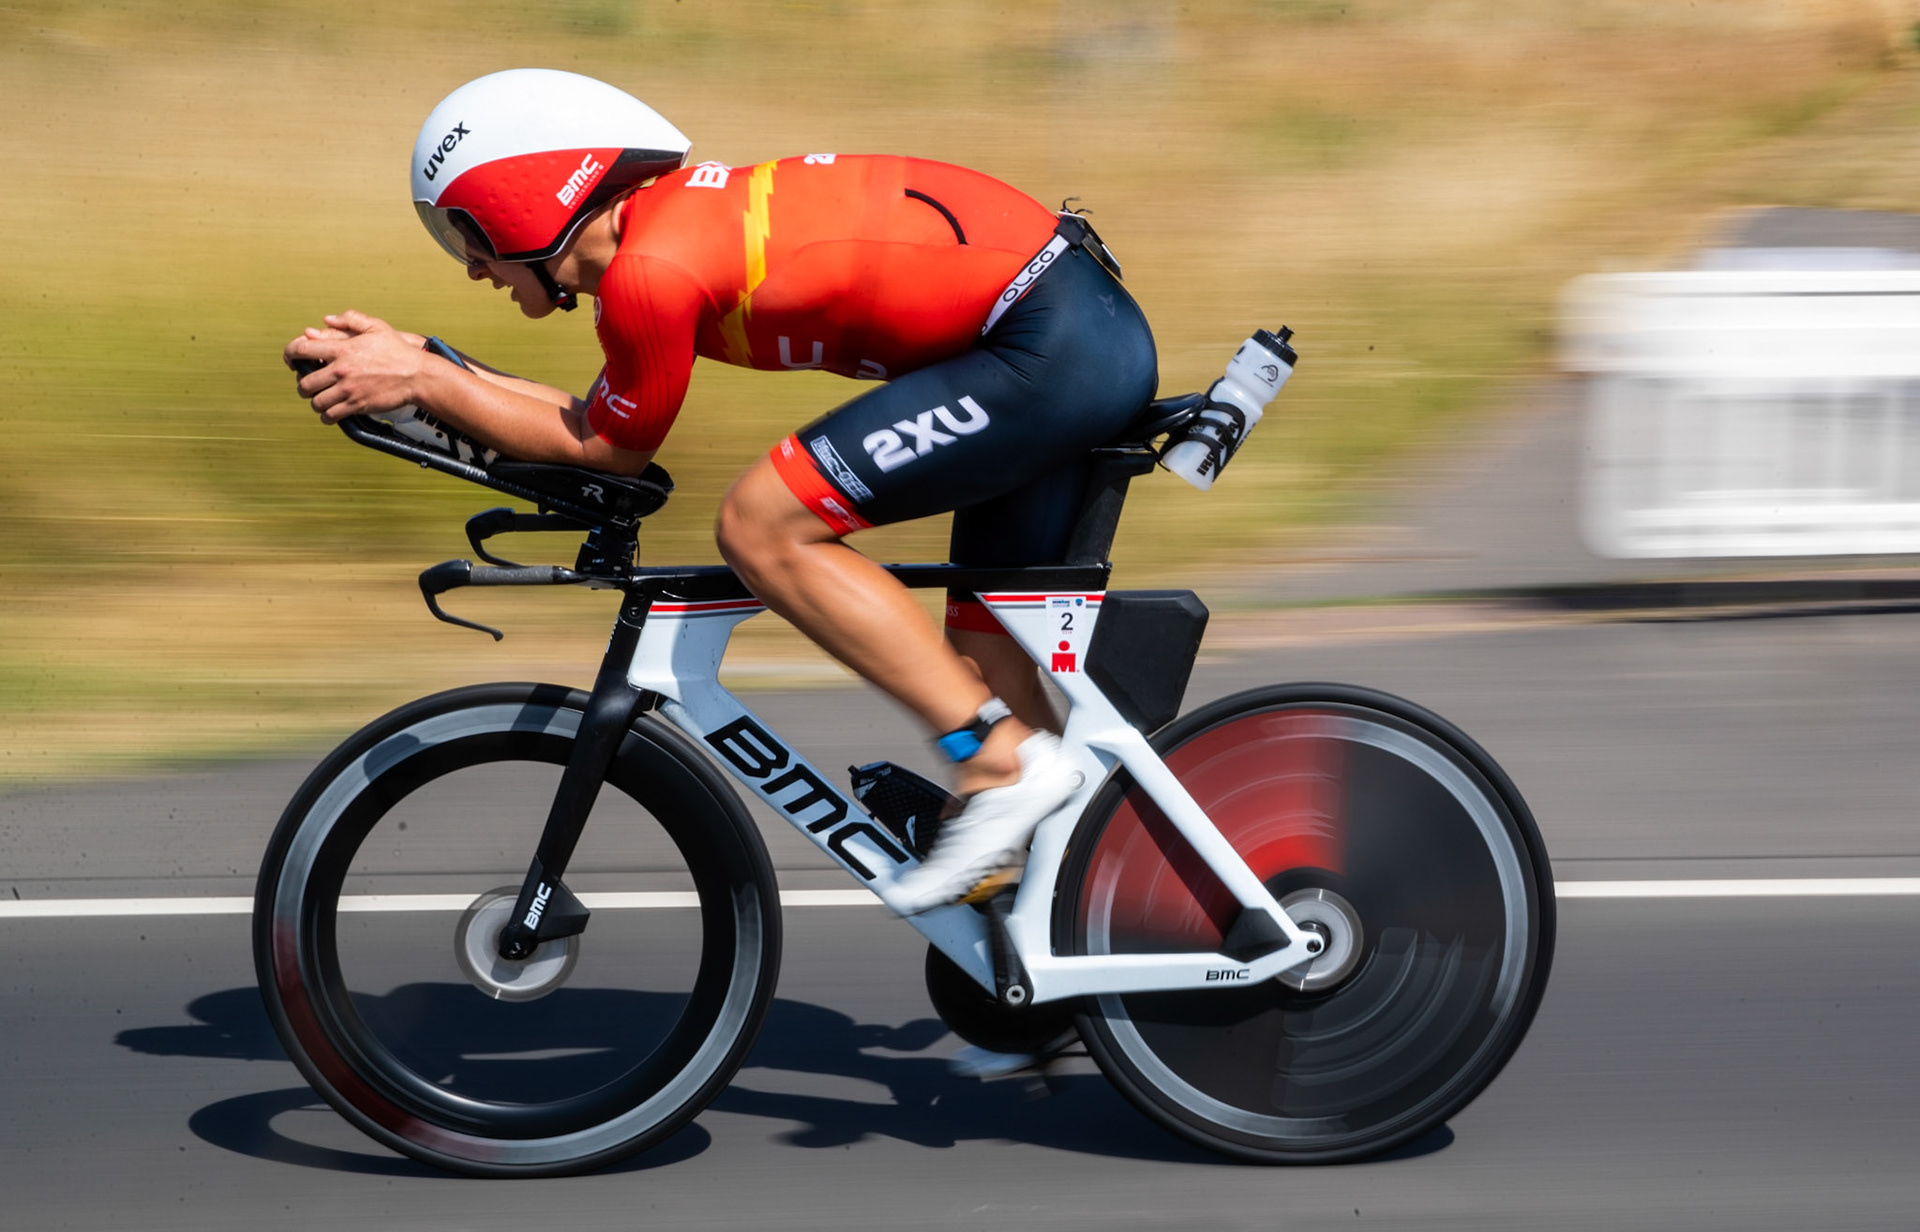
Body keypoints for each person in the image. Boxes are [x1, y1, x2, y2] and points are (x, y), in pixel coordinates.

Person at [284, 69, 1158, 913]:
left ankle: (998, 763)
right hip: (1062, 332)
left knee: (761, 524)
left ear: (522, 199)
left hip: (1046, 346)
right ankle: (1076, 912)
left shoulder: (650, 275)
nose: (471, 266)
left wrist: (428, 385)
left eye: (466, 233)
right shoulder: (656, 243)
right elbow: (594, 422)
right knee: (977, 657)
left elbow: (605, 452)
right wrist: (429, 367)